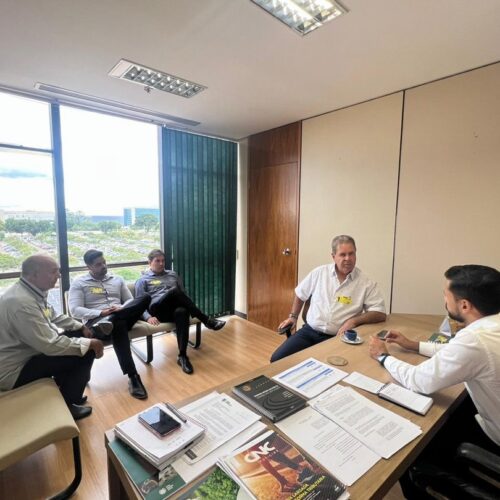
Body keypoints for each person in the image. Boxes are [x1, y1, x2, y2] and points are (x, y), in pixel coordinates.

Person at [368, 264, 500, 498]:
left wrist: (383, 356)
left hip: (495, 436)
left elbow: (419, 380)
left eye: (445, 295)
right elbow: (455, 351)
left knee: (411, 448)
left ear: (465, 305)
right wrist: (413, 345)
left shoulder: (475, 339)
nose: (444, 300)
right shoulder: (492, 326)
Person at [0, 254, 104, 420]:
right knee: (86, 350)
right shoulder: (21, 302)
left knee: (78, 337)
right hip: (15, 370)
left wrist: (80, 327)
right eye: (53, 271)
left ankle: (68, 390)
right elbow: (49, 345)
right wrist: (91, 343)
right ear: (34, 275)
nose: (59, 275)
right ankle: (68, 404)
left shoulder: (34, 291)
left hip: (30, 353)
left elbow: (53, 315)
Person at [271, 235, 386, 362]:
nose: (348, 259)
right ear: (333, 256)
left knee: (325, 371)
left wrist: (353, 321)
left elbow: (380, 313)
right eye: (342, 255)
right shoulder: (319, 273)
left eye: (351, 254)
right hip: (310, 331)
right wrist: (293, 317)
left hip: (338, 338)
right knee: (277, 359)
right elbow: (300, 293)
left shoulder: (365, 283)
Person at [68, 249, 151, 399]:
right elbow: (75, 310)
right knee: (118, 325)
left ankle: (111, 320)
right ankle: (133, 377)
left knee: (145, 298)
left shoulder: (117, 279)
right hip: (97, 323)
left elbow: (130, 300)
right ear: (89, 267)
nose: (104, 266)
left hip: (122, 315)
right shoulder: (79, 283)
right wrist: (101, 313)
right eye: (98, 264)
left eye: (104, 262)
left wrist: (121, 308)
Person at [135, 249, 225, 375]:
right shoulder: (142, 280)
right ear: (149, 262)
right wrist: (147, 317)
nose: (161, 263)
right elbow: (139, 303)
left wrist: (187, 305)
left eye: (163, 260)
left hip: (173, 310)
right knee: (175, 291)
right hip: (158, 310)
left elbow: (183, 295)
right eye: (157, 261)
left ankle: (182, 356)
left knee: (182, 311)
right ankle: (206, 320)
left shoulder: (172, 274)